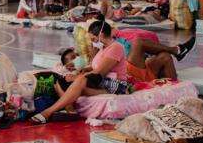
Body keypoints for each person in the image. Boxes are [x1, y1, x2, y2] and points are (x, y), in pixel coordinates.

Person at [28, 19, 181, 123]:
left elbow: (99, 73)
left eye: (93, 39)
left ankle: (48, 112)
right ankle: (69, 109)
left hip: (118, 86)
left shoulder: (116, 48)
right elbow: (93, 68)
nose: (93, 42)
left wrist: (77, 78)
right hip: (104, 83)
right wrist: (76, 70)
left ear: (101, 35)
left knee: (80, 81)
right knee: (61, 81)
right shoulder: (103, 49)